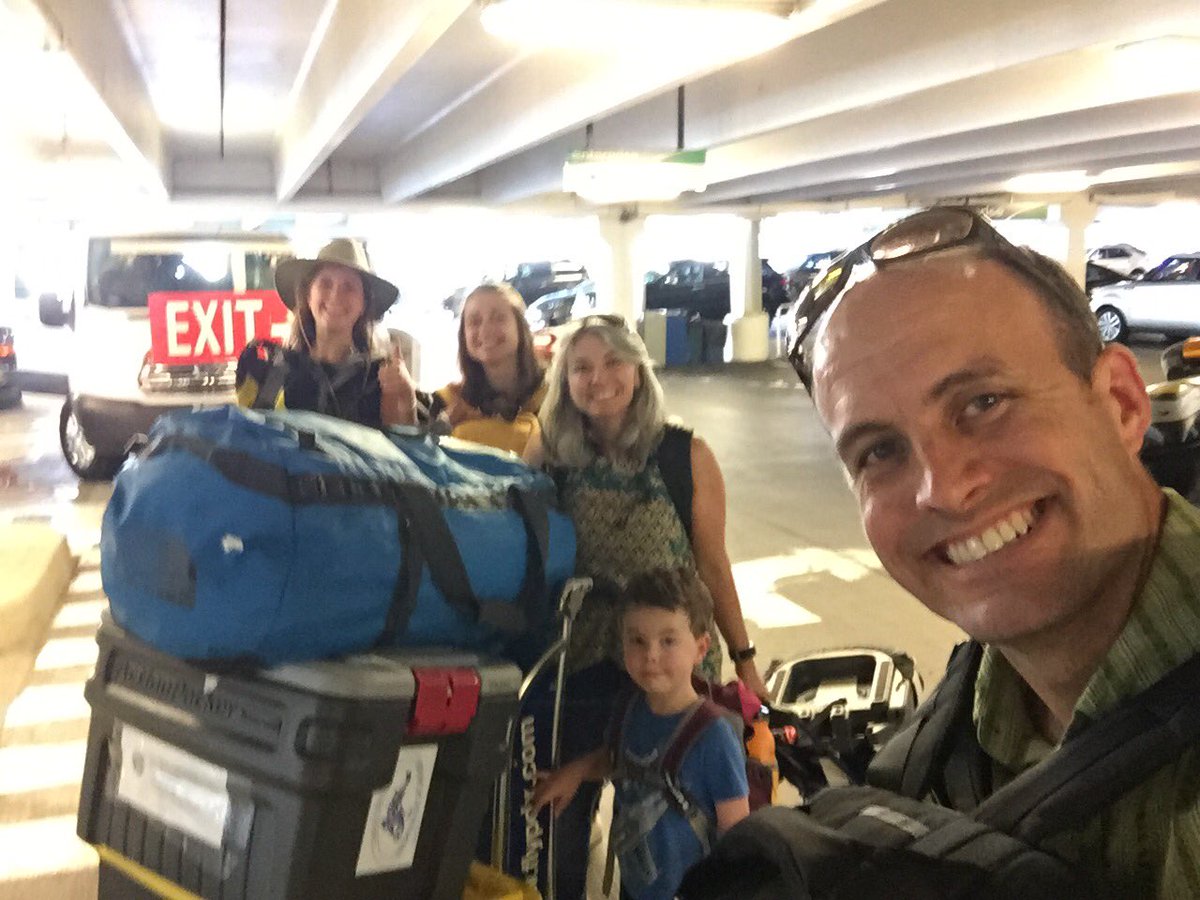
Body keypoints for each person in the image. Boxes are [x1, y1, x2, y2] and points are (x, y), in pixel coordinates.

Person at [787, 205, 1200, 899]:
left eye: (982, 403)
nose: (942, 489)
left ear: (1124, 404)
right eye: (879, 451)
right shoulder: (936, 752)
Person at [525, 316, 764, 899]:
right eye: (580, 367)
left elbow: (713, 564)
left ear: (638, 370)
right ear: (564, 379)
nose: (598, 379)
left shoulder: (685, 455)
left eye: (612, 363)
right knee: (563, 818)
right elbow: (528, 555)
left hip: (670, 659)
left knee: (674, 822)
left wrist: (744, 658)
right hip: (579, 661)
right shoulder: (550, 453)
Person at [533, 568, 750, 900]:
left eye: (668, 641)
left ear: (701, 648)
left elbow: (736, 836)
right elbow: (617, 757)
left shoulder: (714, 737)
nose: (650, 655)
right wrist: (575, 773)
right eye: (637, 640)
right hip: (635, 886)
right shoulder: (629, 710)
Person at [235, 238, 417, 428]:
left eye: (349, 287)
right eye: (326, 283)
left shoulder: (380, 378)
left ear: (364, 303)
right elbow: (248, 441)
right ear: (308, 295)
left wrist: (406, 399)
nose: (335, 295)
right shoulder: (266, 369)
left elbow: (402, 452)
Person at [429, 282, 546, 454]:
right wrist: (441, 429)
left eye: (499, 318)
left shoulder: (555, 398)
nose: (485, 330)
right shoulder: (446, 403)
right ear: (464, 335)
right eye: (474, 322)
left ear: (521, 328)